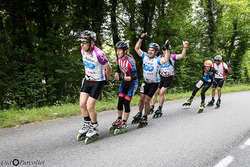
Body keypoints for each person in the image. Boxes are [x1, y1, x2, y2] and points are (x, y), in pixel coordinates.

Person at [77, 30, 112, 144]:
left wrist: (106, 79)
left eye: (84, 42)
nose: (82, 44)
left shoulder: (99, 54)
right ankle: (87, 123)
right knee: (82, 104)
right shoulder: (83, 51)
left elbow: (108, 68)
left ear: (91, 42)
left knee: (89, 106)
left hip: (97, 82)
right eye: (81, 41)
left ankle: (94, 126)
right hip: (88, 80)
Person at [131, 32, 170, 128]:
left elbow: (166, 60)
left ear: (156, 52)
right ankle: (139, 113)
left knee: (147, 99)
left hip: (154, 83)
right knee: (141, 98)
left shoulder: (158, 60)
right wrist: (140, 38)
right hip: (146, 82)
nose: (150, 52)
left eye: (152, 50)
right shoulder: (144, 56)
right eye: (149, 50)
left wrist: (167, 49)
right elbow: (136, 48)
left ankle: (145, 117)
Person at [150, 40, 189, 118]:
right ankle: (152, 106)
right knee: (155, 92)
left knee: (162, 92)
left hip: (169, 77)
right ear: (162, 51)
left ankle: (160, 108)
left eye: (168, 50)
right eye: (165, 50)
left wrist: (185, 47)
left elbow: (182, 55)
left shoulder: (172, 57)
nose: (167, 52)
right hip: (161, 77)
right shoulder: (159, 57)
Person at [109, 41, 138, 135]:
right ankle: (119, 119)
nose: (118, 52)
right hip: (124, 82)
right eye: (117, 50)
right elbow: (118, 70)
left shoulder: (130, 61)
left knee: (126, 102)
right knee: (120, 101)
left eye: (120, 50)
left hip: (132, 83)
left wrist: (122, 78)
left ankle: (124, 122)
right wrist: (115, 78)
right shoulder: (118, 59)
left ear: (125, 51)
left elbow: (134, 76)